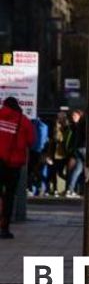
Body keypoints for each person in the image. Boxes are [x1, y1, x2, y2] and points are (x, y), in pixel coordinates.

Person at [0, 97, 36, 239]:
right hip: (13, 164)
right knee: (9, 196)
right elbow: (32, 141)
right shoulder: (24, 121)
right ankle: (4, 228)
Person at [65, 109, 86, 197]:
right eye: (73, 116)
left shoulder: (74, 126)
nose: (74, 117)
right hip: (82, 148)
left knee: (78, 169)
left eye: (75, 116)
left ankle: (70, 189)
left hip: (77, 149)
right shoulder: (78, 125)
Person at [28, 117, 49, 196]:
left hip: (32, 151)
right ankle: (41, 188)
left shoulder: (31, 125)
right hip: (41, 152)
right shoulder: (45, 126)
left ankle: (31, 188)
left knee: (31, 171)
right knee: (40, 171)